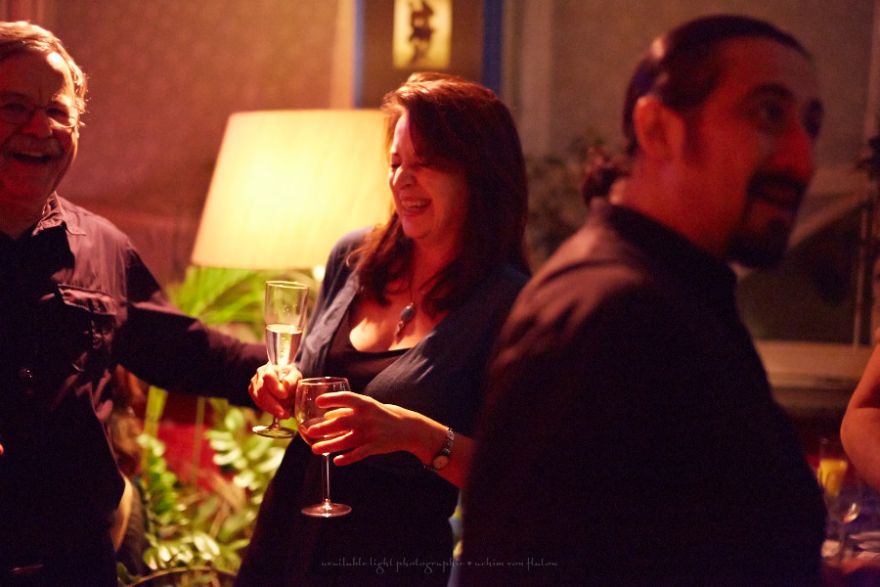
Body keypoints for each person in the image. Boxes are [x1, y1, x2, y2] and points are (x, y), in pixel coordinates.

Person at [457, 14, 828, 585]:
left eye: (811, 125)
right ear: (657, 129)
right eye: (768, 114)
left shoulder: (679, 291)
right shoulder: (608, 313)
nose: (803, 161)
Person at [236, 73, 529, 585]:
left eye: (424, 164)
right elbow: (311, 378)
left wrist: (413, 434)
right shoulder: (353, 256)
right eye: (396, 164)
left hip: (392, 558)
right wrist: (283, 384)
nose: (402, 181)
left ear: (478, 173)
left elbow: (514, 477)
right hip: (289, 535)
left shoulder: (508, 303)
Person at [0, 21, 266, 586]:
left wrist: (285, 372)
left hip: (76, 566)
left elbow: (187, 351)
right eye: (13, 106)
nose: (39, 128)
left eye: (58, 111)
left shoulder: (103, 248)